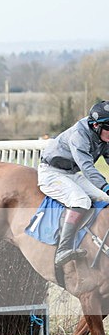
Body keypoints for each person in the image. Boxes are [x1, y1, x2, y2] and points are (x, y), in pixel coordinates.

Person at [38, 100, 109, 267]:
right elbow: (87, 167)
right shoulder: (79, 135)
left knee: (105, 197)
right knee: (81, 201)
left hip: (71, 173)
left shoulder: (103, 136)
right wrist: (106, 186)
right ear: (96, 125)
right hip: (51, 173)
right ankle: (63, 249)